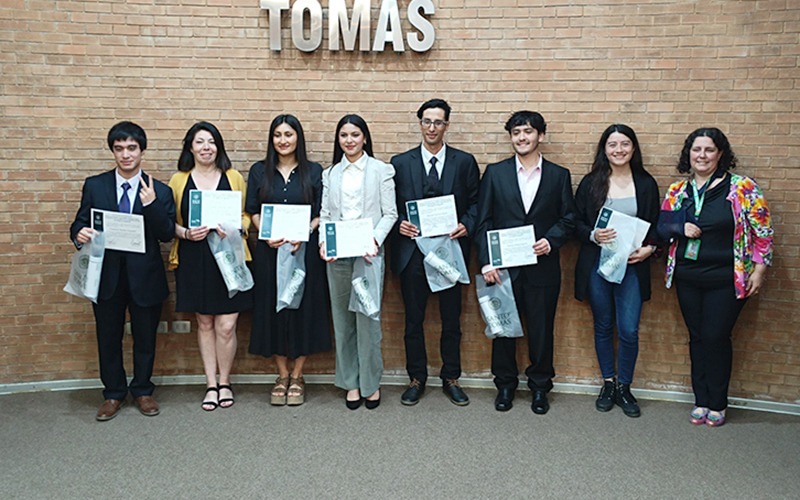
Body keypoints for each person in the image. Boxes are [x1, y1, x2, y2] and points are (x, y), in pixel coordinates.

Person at [657, 128, 773, 427]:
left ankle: (718, 402)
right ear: (689, 154)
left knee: (715, 336)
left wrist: (759, 270)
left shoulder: (743, 188)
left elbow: (763, 232)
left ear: (721, 154)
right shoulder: (677, 191)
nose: (702, 156)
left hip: (727, 278)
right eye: (697, 150)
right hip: (687, 276)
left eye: (709, 150)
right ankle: (701, 400)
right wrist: (678, 229)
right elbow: (663, 227)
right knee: (696, 337)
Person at [70, 121, 176, 420]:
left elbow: (166, 233)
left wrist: (152, 204)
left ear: (142, 150)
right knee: (108, 337)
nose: (126, 155)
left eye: (132, 148)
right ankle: (114, 393)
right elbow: (79, 222)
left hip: (146, 278)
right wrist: (78, 233)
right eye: (119, 149)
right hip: (106, 277)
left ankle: (142, 390)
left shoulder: (160, 190)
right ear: (113, 152)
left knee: (145, 338)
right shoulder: (96, 185)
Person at [475, 111, 576, 414]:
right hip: (503, 270)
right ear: (511, 137)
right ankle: (505, 385)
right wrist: (486, 263)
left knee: (542, 330)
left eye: (528, 132)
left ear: (540, 136)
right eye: (516, 132)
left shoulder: (559, 175)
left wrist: (551, 240)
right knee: (503, 329)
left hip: (543, 268)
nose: (522, 137)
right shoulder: (495, 173)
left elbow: (569, 218)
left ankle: (540, 387)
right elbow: (484, 222)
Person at [389, 99, 480, 406]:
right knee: (413, 320)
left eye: (438, 122)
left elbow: (478, 204)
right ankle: (416, 378)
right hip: (413, 254)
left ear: (447, 126)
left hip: (450, 252)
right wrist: (399, 225)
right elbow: (389, 209)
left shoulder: (464, 162)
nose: (432, 128)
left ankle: (451, 377)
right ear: (419, 124)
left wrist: (466, 225)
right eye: (427, 121)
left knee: (450, 320)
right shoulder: (400, 163)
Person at [573, 124, 661, 418]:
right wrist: (592, 236)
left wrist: (651, 249)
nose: (619, 150)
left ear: (633, 148)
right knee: (603, 326)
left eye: (625, 144)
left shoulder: (646, 184)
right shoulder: (591, 183)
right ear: (604, 149)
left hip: (633, 268)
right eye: (612, 145)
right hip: (599, 266)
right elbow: (576, 223)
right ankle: (608, 384)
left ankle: (625, 386)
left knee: (629, 330)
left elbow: (655, 226)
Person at [246, 115, 331, 406]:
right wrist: (263, 232)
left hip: (302, 251)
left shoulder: (314, 171)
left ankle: (298, 375)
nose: (283, 140)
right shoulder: (259, 171)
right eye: (278, 135)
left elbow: (322, 211)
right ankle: (281, 374)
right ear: (272, 139)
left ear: (298, 138)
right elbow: (252, 209)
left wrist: (306, 231)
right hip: (270, 252)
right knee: (273, 310)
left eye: (289, 134)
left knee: (303, 309)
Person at [168, 121, 253, 411]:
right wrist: (186, 233)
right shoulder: (179, 180)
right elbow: (172, 224)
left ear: (219, 146)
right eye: (200, 142)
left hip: (229, 258)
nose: (206, 147)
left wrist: (235, 227)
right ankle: (211, 384)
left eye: (212, 142)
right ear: (190, 147)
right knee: (204, 322)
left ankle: (225, 380)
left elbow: (245, 216)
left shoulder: (234, 177)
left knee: (227, 325)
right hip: (194, 257)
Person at [319, 114, 398, 410]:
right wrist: (323, 243)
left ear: (365, 137)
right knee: (342, 321)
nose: (349, 141)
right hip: (338, 255)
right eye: (344, 136)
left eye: (355, 135)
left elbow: (390, 214)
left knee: (368, 321)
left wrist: (374, 241)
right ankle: (351, 382)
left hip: (368, 254)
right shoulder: (330, 174)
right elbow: (326, 215)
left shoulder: (381, 170)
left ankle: (370, 383)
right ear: (338, 140)